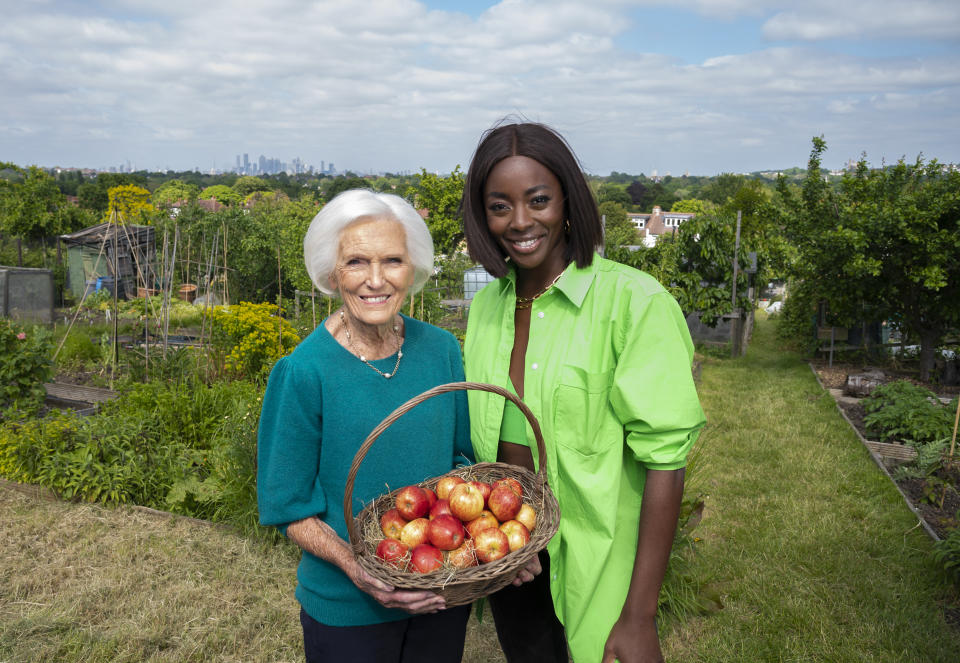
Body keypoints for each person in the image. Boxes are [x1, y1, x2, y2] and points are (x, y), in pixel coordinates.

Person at [461, 122, 706, 663]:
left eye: (538, 200)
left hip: (601, 559)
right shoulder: (486, 309)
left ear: (567, 201)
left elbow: (666, 462)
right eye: (500, 206)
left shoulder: (634, 302)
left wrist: (639, 615)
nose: (520, 221)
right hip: (512, 556)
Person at [257, 189, 474, 663]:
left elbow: (461, 461)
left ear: (411, 269)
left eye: (392, 260)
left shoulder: (441, 351)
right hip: (347, 609)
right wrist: (359, 570)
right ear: (332, 274)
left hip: (439, 592)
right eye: (357, 262)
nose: (375, 280)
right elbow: (288, 507)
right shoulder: (304, 371)